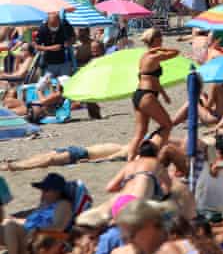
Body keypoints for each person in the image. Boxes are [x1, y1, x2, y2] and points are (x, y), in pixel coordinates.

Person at [0, 173, 73, 254]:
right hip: (28, 238)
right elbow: (31, 221)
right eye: (42, 190)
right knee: (7, 223)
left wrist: (37, 229)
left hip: (40, 243)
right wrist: (16, 220)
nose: (42, 193)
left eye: (46, 190)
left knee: (9, 224)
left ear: (57, 192)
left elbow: (59, 227)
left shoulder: (63, 205)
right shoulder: (44, 203)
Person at [127, 28, 180, 161]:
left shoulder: (144, 57)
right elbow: (176, 52)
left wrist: (164, 94)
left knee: (140, 132)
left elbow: (152, 79)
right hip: (147, 96)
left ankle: (131, 160)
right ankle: (153, 154)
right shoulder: (154, 56)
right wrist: (160, 49)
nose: (162, 42)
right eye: (160, 39)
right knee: (167, 125)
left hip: (139, 95)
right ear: (155, 40)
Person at [114, 199, 191, 254]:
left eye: (131, 235)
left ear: (150, 224)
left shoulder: (169, 251)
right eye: (124, 238)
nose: (129, 242)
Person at [4, 142, 126, 171]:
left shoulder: (123, 146)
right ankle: (17, 166)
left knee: (47, 156)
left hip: (79, 150)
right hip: (80, 153)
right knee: (49, 159)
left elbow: (113, 156)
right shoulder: (127, 148)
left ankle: (9, 166)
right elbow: (112, 157)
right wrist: (96, 161)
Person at [34, 11, 75, 77]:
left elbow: (73, 37)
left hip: (64, 62)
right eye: (52, 25)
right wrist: (50, 48)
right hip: (49, 63)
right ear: (48, 23)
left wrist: (69, 42)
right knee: (46, 84)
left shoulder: (65, 25)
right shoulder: (43, 28)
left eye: (56, 25)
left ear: (59, 21)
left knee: (65, 84)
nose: (54, 27)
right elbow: (36, 46)